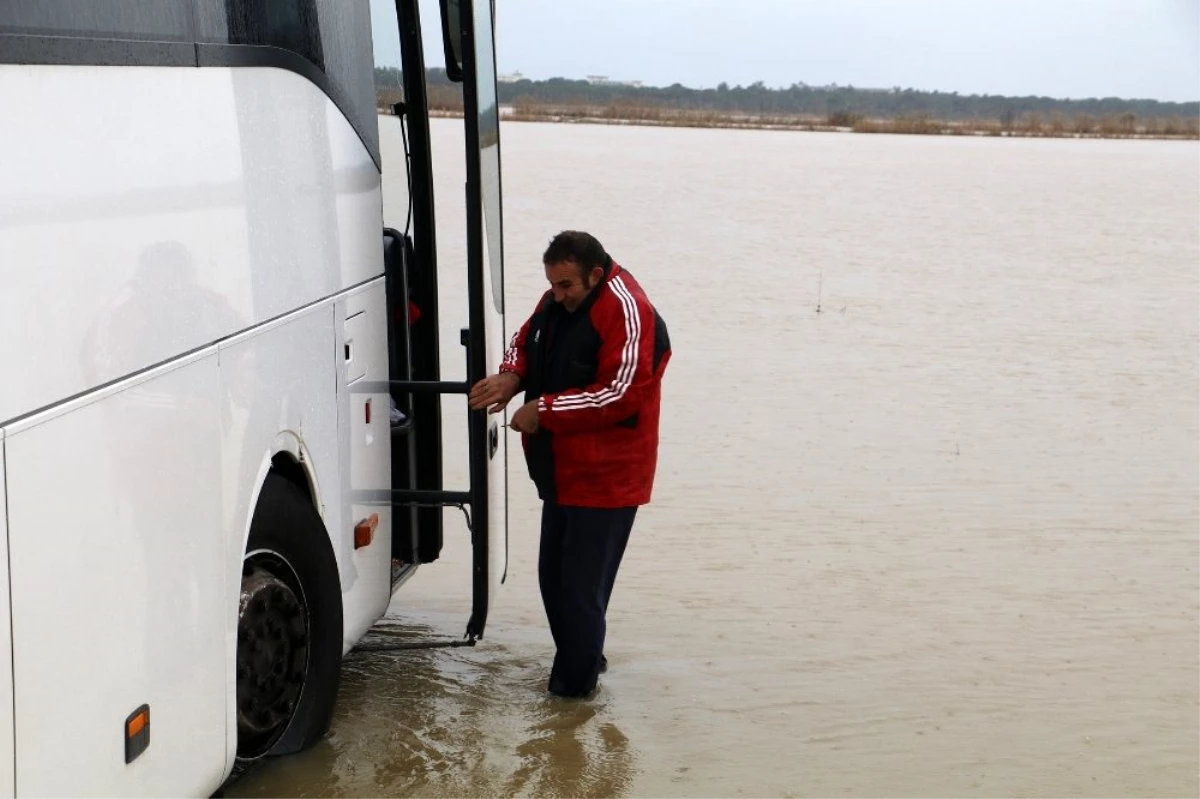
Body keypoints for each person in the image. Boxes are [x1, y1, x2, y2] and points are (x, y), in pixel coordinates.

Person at [469, 230, 671, 698]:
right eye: (553, 285)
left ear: (594, 275)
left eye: (566, 287)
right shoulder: (555, 301)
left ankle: (569, 700)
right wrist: (511, 375)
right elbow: (525, 339)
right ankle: (584, 668)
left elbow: (622, 394)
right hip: (562, 475)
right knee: (553, 584)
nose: (557, 296)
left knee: (579, 594)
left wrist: (544, 411)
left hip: (608, 481)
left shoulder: (626, 309)